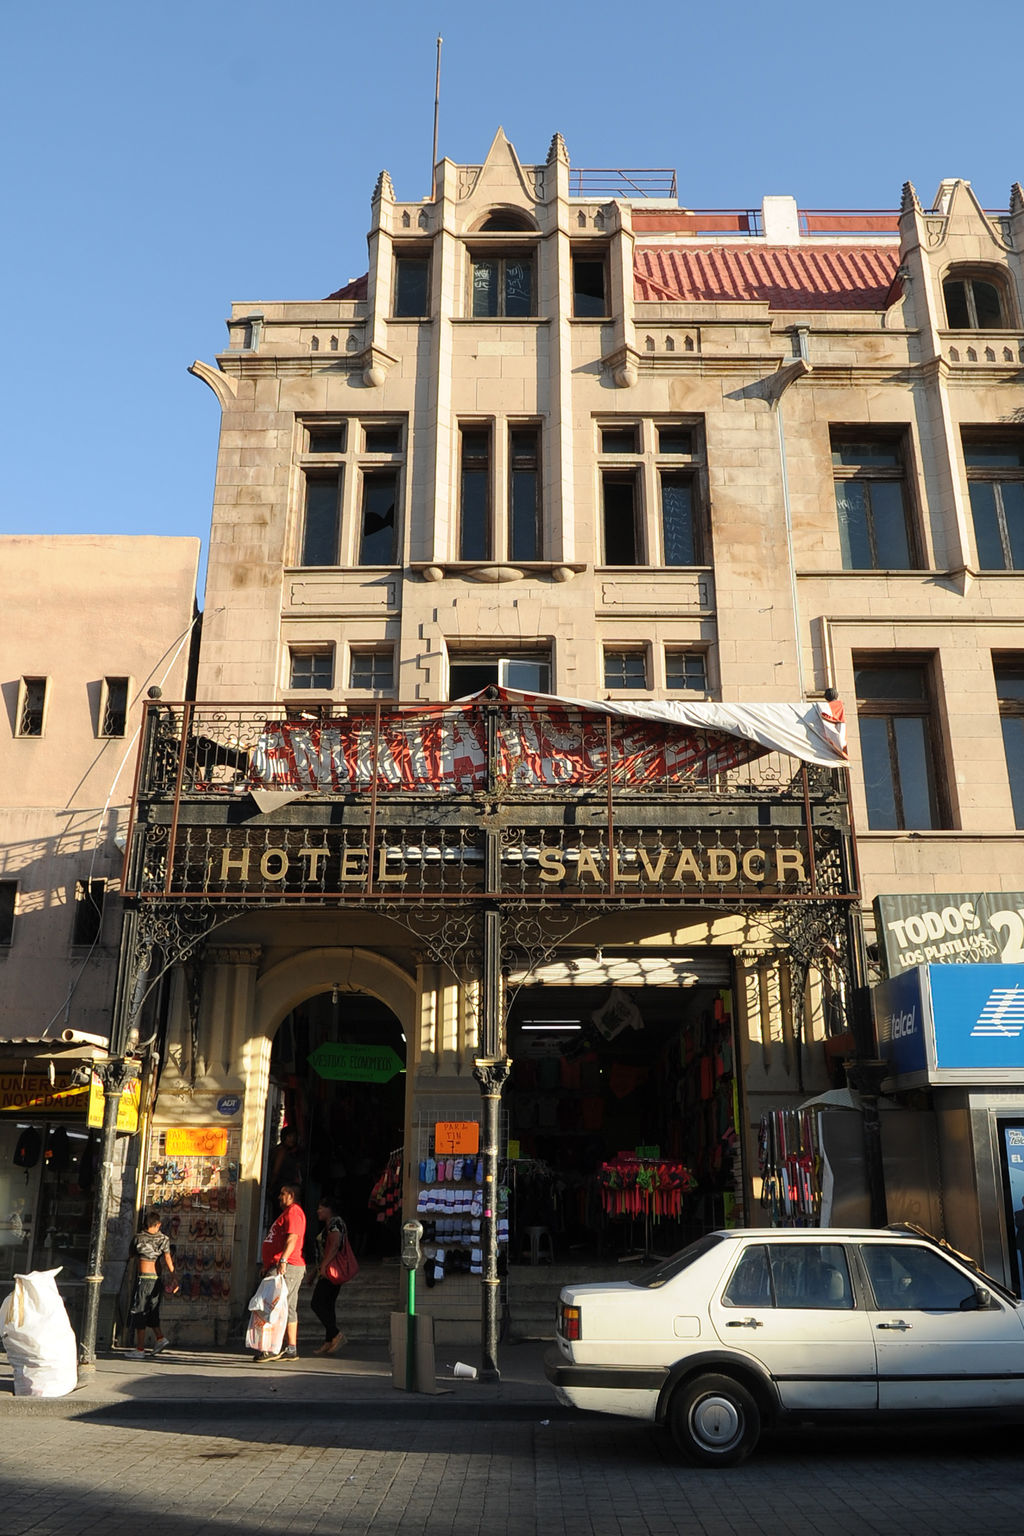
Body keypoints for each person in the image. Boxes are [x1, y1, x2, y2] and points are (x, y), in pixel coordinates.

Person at [257, 1183, 306, 1361]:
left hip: (289, 1266)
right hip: (280, 1264)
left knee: (275, 1305)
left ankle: (273, 1347)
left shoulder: (294, 1211)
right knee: (285, 1306)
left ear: (291, 1195)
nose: (279, 1197)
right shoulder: (288, 1213)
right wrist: (268, 1263)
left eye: (282, 1193)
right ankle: (289, 1348)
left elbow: (293, 1237)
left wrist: (283, 1260)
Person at [124, 1208, 177, 1359]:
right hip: (156, 1279)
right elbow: (168, 1260)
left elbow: (131, 1255)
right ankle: (160, 1338)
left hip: (144, 1278)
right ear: (158, 1224)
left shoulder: (138, 1238)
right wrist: (174, 1278)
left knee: (139, 1311)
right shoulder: (164, 1239)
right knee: (152, 1311)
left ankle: (140, 1348)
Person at [309, 1193, 348, 1355]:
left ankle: (336, 1334)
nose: (318, 1211)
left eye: (321, 1208)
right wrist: (314, 1271)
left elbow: (335, 1245)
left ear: (329, 1209)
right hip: (327, 1270)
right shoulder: (330, 1224)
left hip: (331, 1272)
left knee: (317, 1303)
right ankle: (329, 1340)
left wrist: (323, 1267)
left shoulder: (335, 1223)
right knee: (328, 1306)